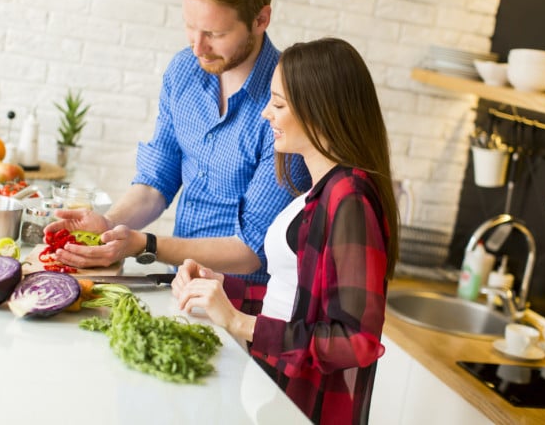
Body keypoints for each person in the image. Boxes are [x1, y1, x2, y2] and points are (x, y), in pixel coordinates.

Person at [45, 0, 308, 283]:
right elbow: (157, 181)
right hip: (180, 284)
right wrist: (110, 225)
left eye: (214, 32)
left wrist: (144, 244)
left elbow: (251, 252)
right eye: (190, 26)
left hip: (247, 309)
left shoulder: (289, 105)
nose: (198, 46)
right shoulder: (184, 72)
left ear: (261, 19)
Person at [171, 37, 399, 425]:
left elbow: (356, 341)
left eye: (278, 104)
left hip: (301, 404)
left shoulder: (351, 198)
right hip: (270, 385)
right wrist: (224, 288)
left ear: (320, 111)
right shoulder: (319, 191)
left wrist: (237, 322)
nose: (266, 114)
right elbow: (290, 298)